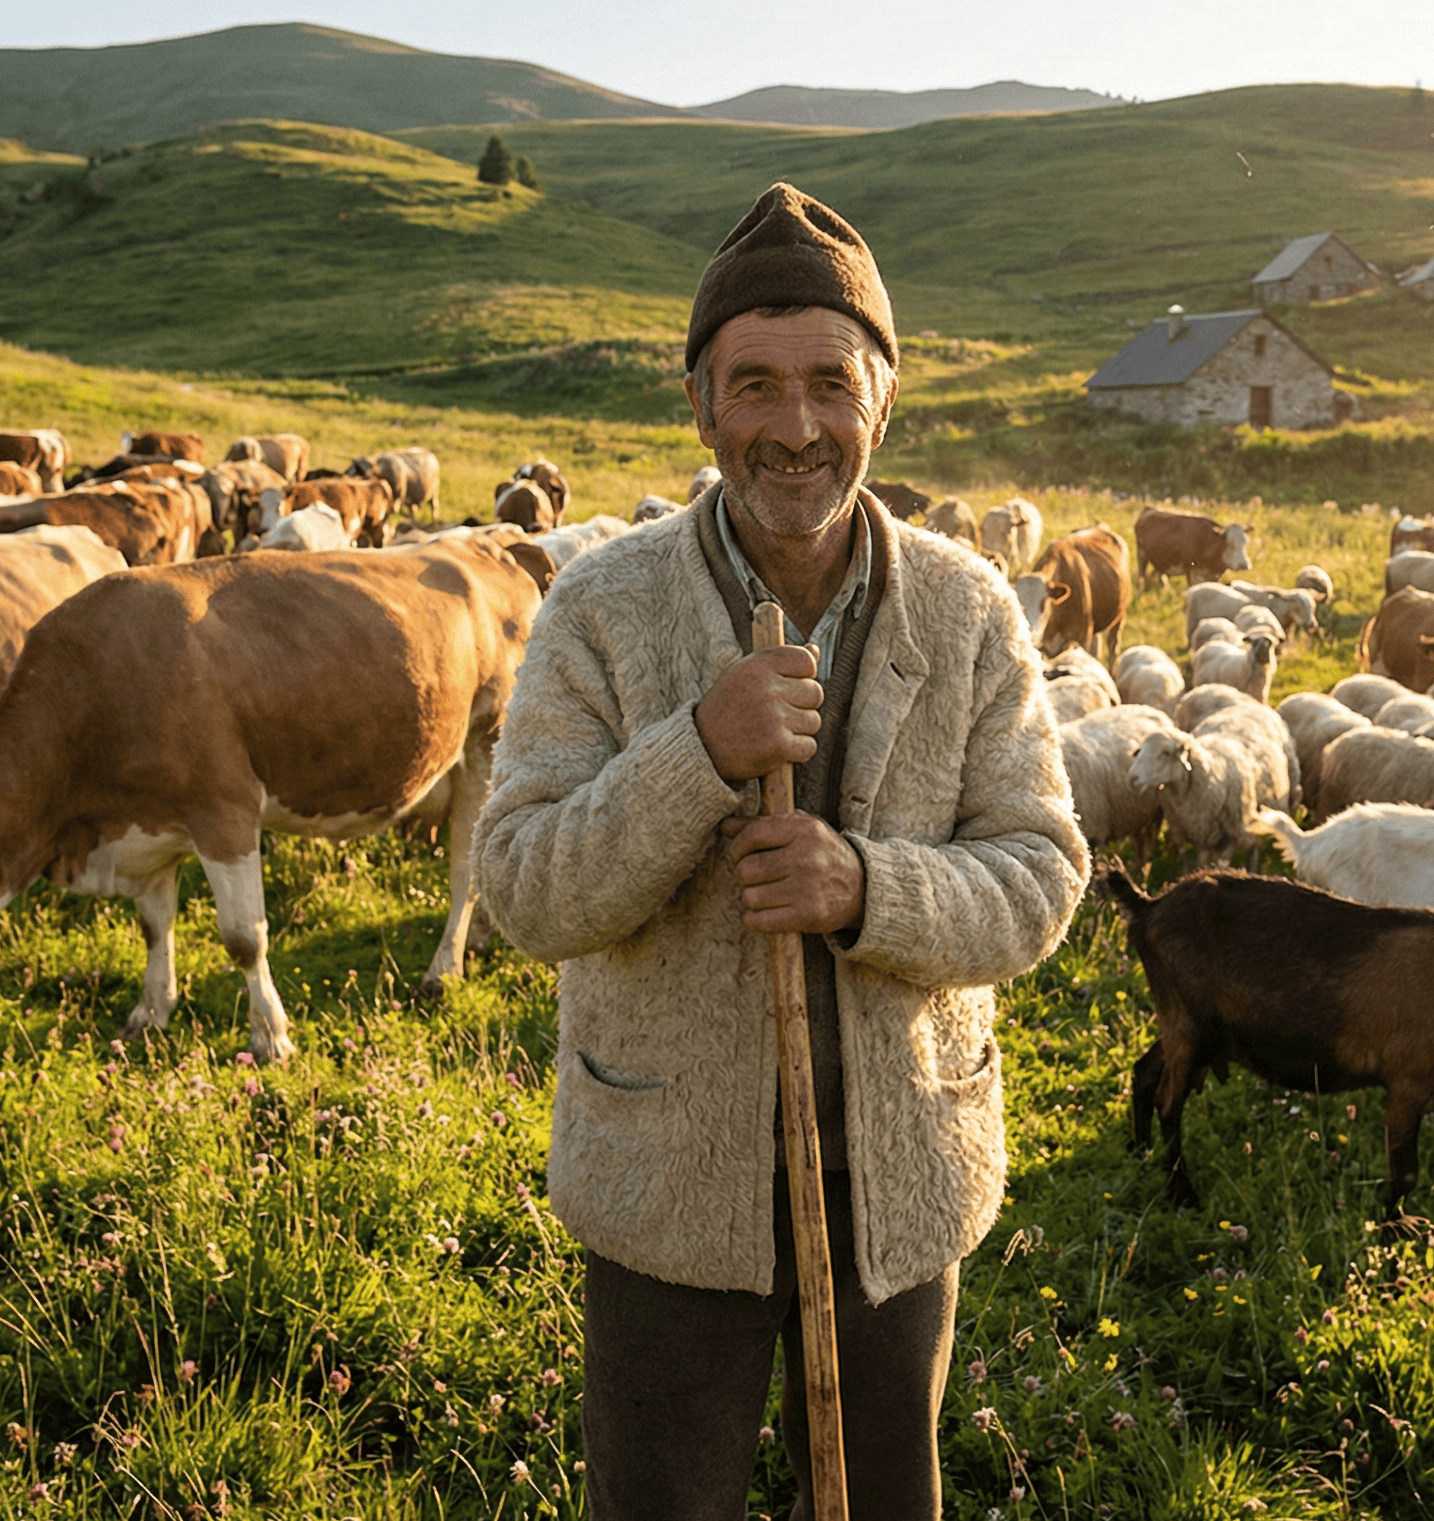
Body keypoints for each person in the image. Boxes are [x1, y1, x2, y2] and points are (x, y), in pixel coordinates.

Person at [473, 182, 1087, 1520]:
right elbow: (522, 887)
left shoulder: (966, 606)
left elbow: (1039, 878)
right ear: (700, 409)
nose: (793, 427)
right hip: (666, 1192)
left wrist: (869, 888)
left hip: (900, 1192)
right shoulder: (603, 604)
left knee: (875, 1504)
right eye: (752, 385)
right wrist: (693, 752)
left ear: (880, 401)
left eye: (827, 383)